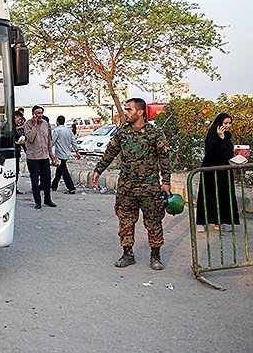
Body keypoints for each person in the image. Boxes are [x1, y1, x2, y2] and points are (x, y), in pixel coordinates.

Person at [91, 97, 171, 270]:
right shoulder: (122, 133)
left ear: (140, 112)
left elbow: (164, 158)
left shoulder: (154, 133)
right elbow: (109, 153)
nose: (126, 113)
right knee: (125, 220)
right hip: (126, 187)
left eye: (129, 110)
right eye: (126, 109)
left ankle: (155, 256)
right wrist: (98, 170)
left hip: (149, 187)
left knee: (153, 221)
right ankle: (128, 254)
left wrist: (166, 182)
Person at [195, 113, 240, 232]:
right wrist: (219, 138)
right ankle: (201, 222)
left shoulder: (227, 136)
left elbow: (227, 152)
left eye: (230, 123)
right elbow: (210, 151)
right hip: (210, 170)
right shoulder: (212, 134)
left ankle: (220, 221)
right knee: (207, 195)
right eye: (225, 123)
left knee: (224, 195)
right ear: (219, 123)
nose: (228, 125)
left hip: (224, 170)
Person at [24, 105, 57, 209]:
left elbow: (48, 142)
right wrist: (34, 125)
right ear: (33, 114)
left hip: (44, 156)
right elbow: (30, 138)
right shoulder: (27, 124)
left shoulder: (45, 124)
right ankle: (37, 201)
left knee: (47, 178)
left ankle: (48, 199)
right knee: (35, 180)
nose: (40, 115)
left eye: (41, 113)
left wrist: (52, 157)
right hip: (33, 157)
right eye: (38, 113)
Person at [51, 115, 81, 194]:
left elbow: (53, 141)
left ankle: (71, 187)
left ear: (57, 122)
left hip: (60, 154)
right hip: (66, 153)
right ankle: (54, 185)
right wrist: (77, 151)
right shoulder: (68, 131)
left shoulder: (57, 130)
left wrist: (47, 149)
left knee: (64, 171)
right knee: (59, 170)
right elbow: (73, 141)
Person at [14, 110, 26, 194]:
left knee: (17, 171)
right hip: (11, 154)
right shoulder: (9, 127)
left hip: (17, 152)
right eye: (18, 117)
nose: (18, 120)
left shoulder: (17, 129)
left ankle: (15, 188)